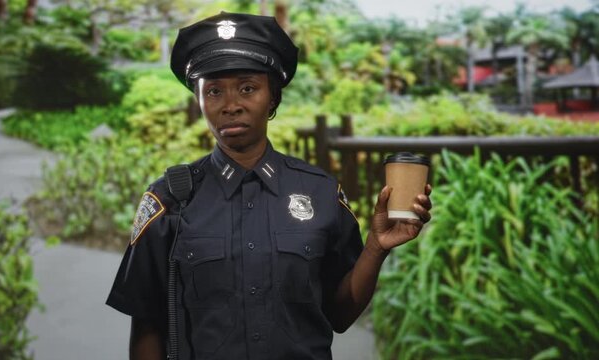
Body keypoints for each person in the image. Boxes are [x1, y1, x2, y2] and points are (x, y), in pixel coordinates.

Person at [106, 11, 432, 360]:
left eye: (248, 88)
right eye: (213, 91)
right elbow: (146, 325)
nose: (231, 105)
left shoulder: (321, 192)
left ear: (272, 97)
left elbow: (339, 316)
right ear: (199, 101)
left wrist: (376, 248)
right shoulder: (168, 198)